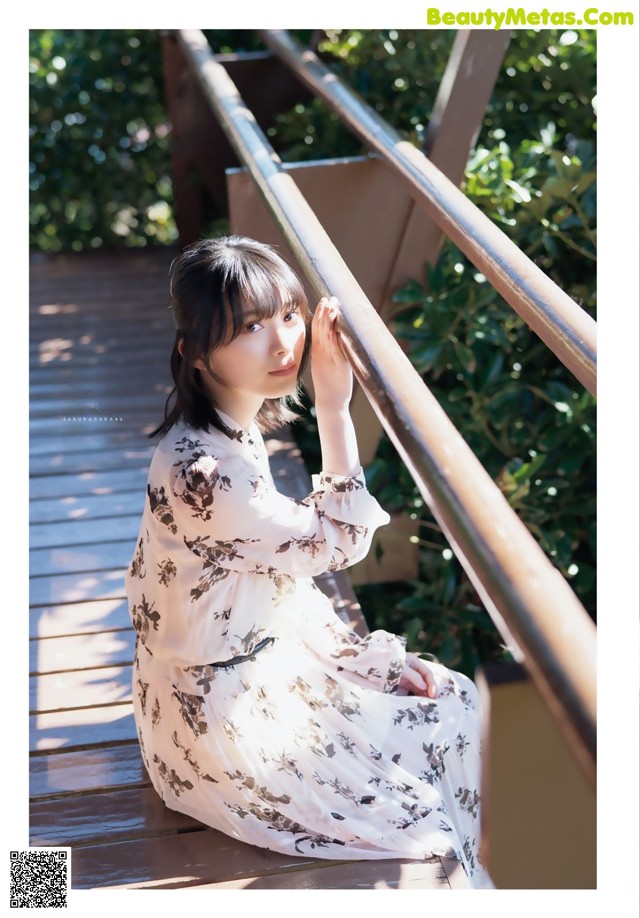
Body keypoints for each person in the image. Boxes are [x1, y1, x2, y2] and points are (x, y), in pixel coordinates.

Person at [125, 235, 493, 888]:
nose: (282, 344)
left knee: (453, 706)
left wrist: (357, 659)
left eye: (288, 317)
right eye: (249, 327)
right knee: (432, 807)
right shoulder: (207, 472)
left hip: (225, 679)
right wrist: (333, 403)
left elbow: (269, 577)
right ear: (195, 352)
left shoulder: (218, 433)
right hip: (220, 727)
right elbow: (338, 543)